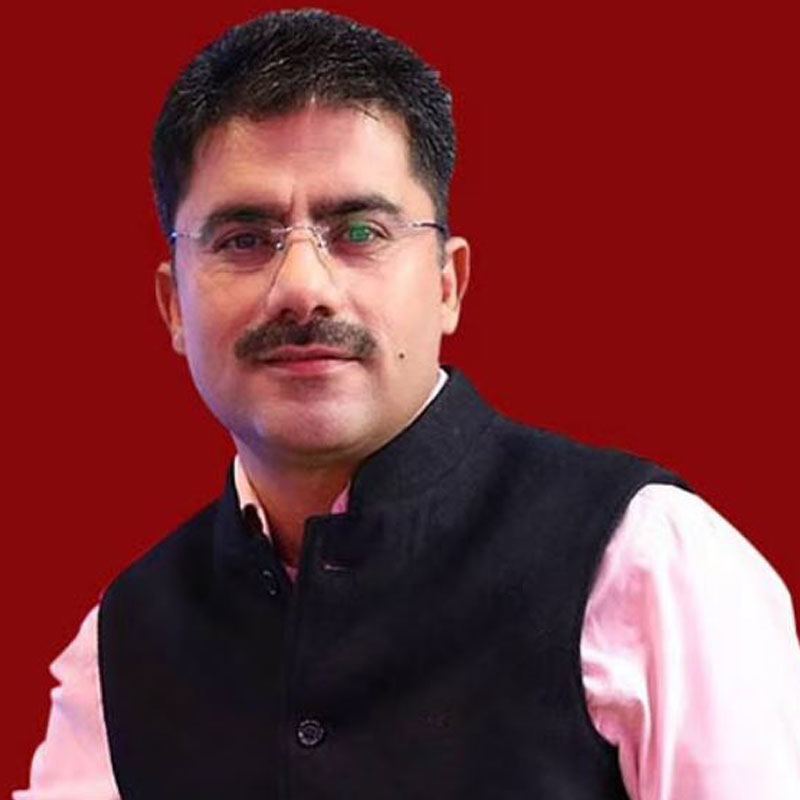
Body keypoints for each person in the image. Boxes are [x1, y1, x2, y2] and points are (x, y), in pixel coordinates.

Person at [14, 9, 800, 800]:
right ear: (173, 307)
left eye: (359, 231)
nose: (303, 289)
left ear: (449, 283)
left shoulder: (643, 562)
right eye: (244, 240)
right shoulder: (119, 649)